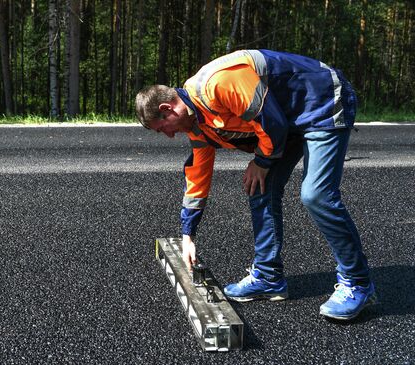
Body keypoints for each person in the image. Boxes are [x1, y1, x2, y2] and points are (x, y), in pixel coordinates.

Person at [135, 49, 376, 320]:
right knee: (259, 187)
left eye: (162, 129)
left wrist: (261, 162)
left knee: (316, 195)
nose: (168, 136)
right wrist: (188, 234)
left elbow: (270, 120)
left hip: (320, 103)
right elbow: (197, 177)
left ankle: (358, 282)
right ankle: (268, 276)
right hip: (287, 122)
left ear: (167, 110)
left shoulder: (218, 83)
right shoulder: (197, 123)